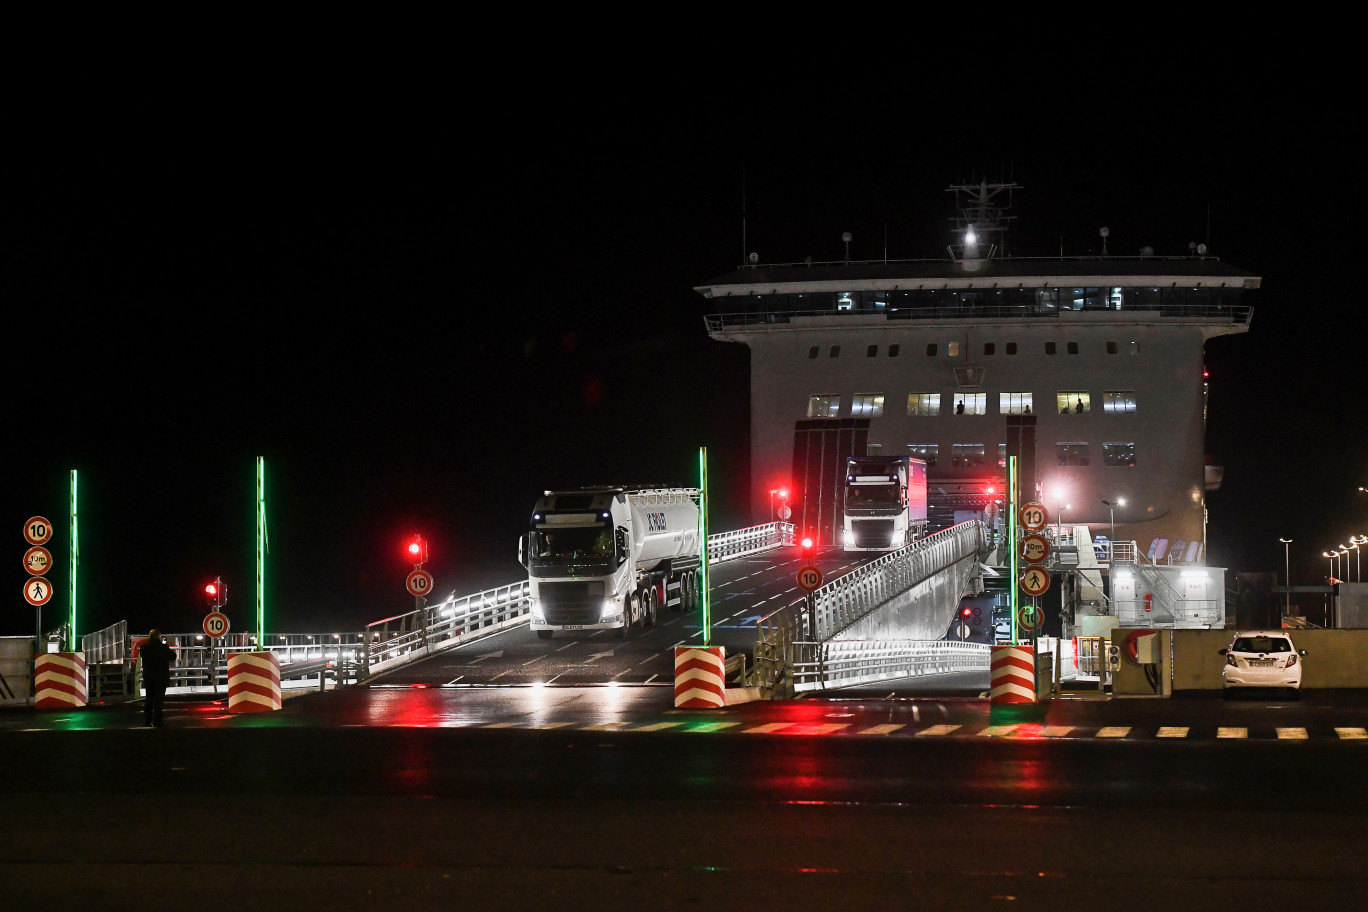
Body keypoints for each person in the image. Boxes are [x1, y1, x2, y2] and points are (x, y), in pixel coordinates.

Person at [140, 629, 175, 727]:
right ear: (158, 637)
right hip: (161, 677)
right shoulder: (163, 647)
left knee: (149, 699)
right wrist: (164, 645)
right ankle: (158, 721)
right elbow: (173, 656)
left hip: (149, 676)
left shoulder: (144, 648)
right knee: (159, 700)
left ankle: (147, 721)